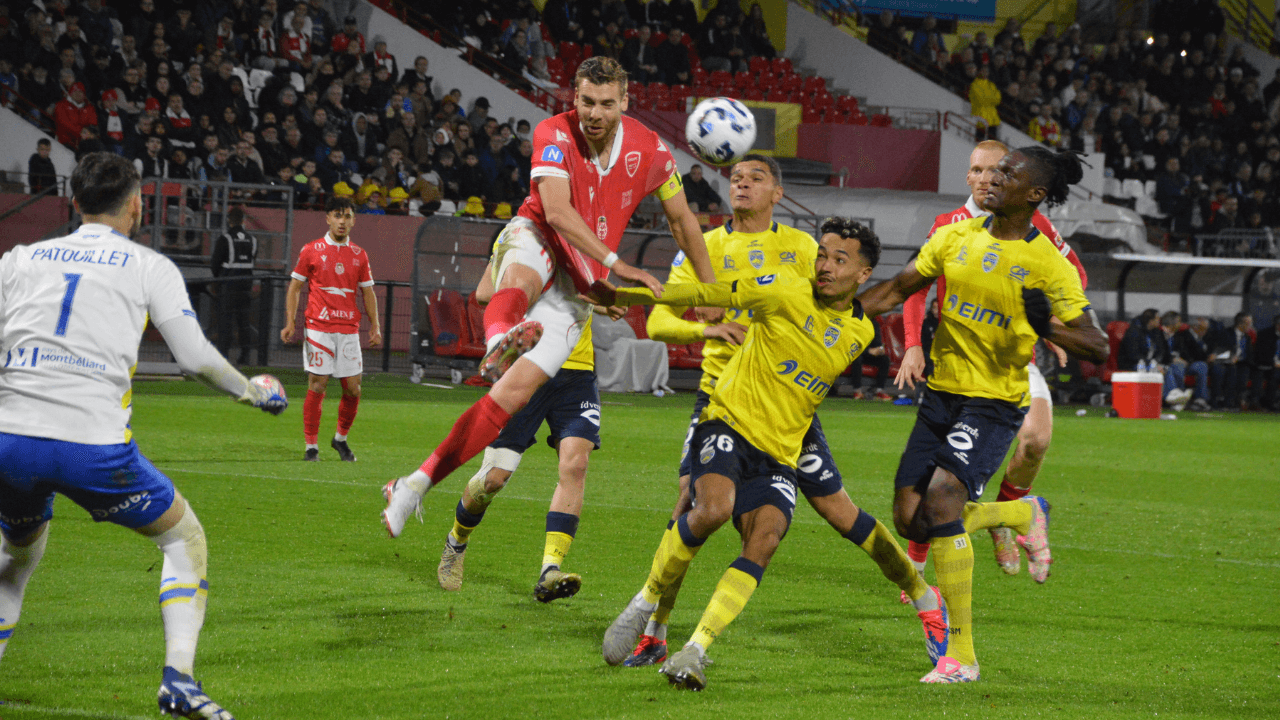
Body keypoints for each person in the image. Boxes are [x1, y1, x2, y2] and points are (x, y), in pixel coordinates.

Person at [620, 164, 948, 670]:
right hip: (725, 400)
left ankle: (925, 599)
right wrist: (635, 293)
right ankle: (654, 626)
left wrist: (948, 245)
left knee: (843, 517)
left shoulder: (837, 298)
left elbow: (892, 290)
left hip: (791, 424)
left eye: (839, 258)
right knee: (696, 505)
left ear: (777, 191)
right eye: (824, 255)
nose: (824, 264)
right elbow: (704, 297)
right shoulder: (753, 273)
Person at [0, 152, 286, 720]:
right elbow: (195, 359)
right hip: (93, 449)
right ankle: (178, 679)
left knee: (15, 554)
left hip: (9, 442)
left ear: (73, 202)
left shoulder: (18, 260)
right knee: (184, 539)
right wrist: (254, 391)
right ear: (137, 205)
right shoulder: (148, 265)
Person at [380, 57, 717, 537]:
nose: (594, 113)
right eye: (585, 102)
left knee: (506, 398)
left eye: (605, 103)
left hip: (577, 291)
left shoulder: (652, 150)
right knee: (520, 278)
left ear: (624, 101)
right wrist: (619, 267)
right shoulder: (553, 133)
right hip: (538, 234)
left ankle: (412, 485)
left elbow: (684, 221)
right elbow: (556, 214)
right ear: (572, 98)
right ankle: (500, 339)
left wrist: (707, 290)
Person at [857, 145, 1108, 683]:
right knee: (911, 518)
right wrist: (834, 311)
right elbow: (901, 289)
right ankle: (1019, 513)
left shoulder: (1049, 263)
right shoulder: (953, 235)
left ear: (1034, 195)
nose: (993, 178)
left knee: (944, 501)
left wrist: (1050, 327)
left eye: (1007, 173)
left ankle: (962, 656)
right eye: (992, 170)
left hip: (994, 402)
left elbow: (1097, 345)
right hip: (941, 397)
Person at [896, 140, 1089, 580]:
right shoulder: (949, 225)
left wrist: (1055, 321)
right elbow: (915, 285)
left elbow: (1074, 272)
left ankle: (1006, 515)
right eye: (978, 170)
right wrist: (912, 343)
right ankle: (918, 565)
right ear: (968, 176)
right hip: (957, 365)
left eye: (996, 170)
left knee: (1036, 440)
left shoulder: (1033, 225)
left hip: (1010, 360)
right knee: (934, 481)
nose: (987, 178)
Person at [435, 255, 604, 602]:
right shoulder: (521, 240)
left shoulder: (588, 243)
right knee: (494, 480)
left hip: (577, 373)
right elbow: (484, 293)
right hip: (529, 366)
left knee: (576, 464)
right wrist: (532, 290)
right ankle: (457, 541)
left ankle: (549, 571)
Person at [279, 196, 382, 461]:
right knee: (318, 383)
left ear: (353, 221)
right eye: (338, 215)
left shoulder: (360, 255)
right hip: (319, 326)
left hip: (348, 328)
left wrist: (375, 326)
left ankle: (340, 440)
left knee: (353, 389)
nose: (342, 221)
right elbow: (295, 287)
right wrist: (290, 321)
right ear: (327, 218)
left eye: (347, 216)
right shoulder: (311, 250)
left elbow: (368, 292)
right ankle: (311, 446)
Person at [210, 206, 257, 365]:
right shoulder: (252, 239)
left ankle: (223, 356)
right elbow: (252, 261)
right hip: (246, 284)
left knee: (226, 321)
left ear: (229, 221)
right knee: (244, 322)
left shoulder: (225, 238)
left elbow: (215, 264)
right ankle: (245, 356)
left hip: (228, 283)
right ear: (243, 221)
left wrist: (218, 280)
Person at [1252, 314, 1280, 411]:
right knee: (1273, 376)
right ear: (1277, 325)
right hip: (1266, 365)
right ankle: (1266, 403)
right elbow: (1261, 353)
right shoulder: (1265, 334)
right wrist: (1274, 363)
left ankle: (1272, 403)